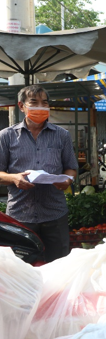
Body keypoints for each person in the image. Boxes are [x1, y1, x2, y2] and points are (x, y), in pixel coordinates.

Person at [0, 85, 78, 262]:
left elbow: (71, 167)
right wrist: (14, 178)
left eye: (45, 103)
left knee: (59, 267)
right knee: (21, 270)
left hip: (54, 213)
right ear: (21, 106)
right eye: (34, 103)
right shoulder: (6, 136)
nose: (40, 107)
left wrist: (68, 179)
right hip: (21, 215)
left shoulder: (61, 135)